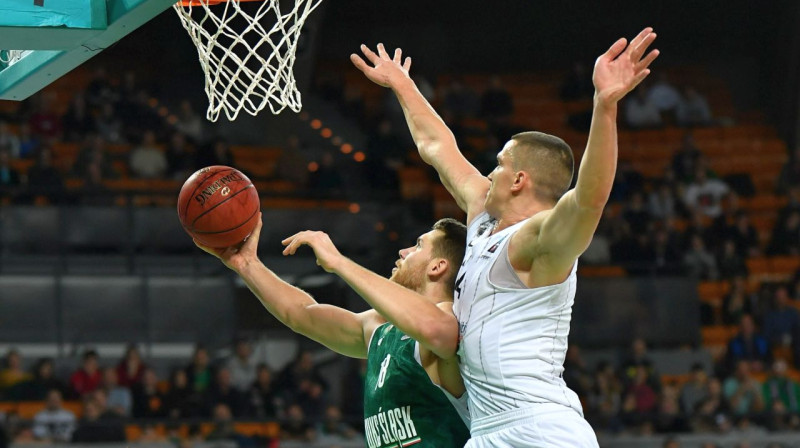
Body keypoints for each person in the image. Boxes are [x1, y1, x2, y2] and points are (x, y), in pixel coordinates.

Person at [350, 27, 658, 447]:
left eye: (499, 163)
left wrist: (604, 107)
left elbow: (589, 201)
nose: (489, 172)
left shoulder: (536, 240)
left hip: (538, 426)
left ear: (518, 179)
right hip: (487, 431)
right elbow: (437, 147)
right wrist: (402, 84)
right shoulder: (481, 218)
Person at [197, 215, 471, 447]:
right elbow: (302, 314)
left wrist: (338, 262)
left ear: (437, 266)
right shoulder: (380, 328)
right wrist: (246, 264)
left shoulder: (450, 320)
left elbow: (435, 328)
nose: (403, 252)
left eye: (418, 246)